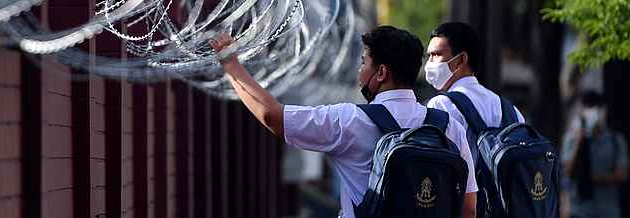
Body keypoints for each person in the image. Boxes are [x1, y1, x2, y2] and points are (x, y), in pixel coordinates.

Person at [212, 25, 478, 218]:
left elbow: (273, 116)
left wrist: (230, 62)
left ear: (382, 72)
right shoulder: (447, 126)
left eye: (364, 63)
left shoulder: (350, 121)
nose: (360, 73)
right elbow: (468, 208)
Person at [425, 21, 525, 163]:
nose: (430, 63)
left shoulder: (441, 105)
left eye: (436, 54)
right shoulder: (511, 111)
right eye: (429, 55)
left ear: (461, 60)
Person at [561, 90, 628, 218]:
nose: (590, 112)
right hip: (578, 211)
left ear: (603, 111)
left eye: (594, 107)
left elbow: (622, 175)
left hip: (607, 211)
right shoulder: (571, 139)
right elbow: (567, 172)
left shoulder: (616, 140)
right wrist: (579, 142)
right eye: (586, 107)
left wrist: (587, 178)